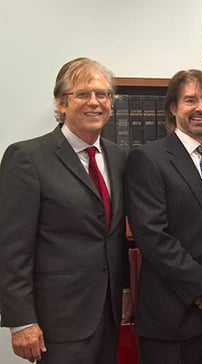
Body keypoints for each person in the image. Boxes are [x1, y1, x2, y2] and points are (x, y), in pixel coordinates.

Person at [0, 57, 130, 364]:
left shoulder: (119, 156)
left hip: (107, 313)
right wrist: (21, 320)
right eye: (83, 94)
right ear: (61, 103)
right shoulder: (27, 158)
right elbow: (12, 247)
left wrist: (124, 289)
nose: (95, 102)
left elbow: (113, 236)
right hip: (57, 321)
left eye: (103, 94)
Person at [124, 69, 202, 364]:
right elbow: (152, 235)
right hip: (170, 318)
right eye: (190, 100)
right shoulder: (148, 159)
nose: (201, 109)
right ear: (173, 107)